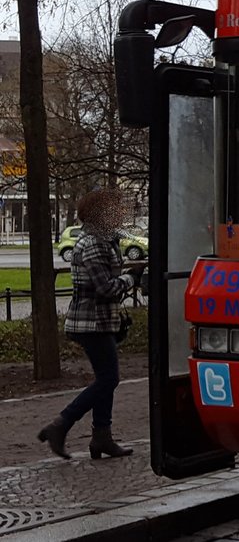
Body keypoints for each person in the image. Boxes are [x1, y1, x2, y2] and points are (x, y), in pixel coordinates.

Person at [38, 189, 142, 459]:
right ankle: (61, 424)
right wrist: (133, 278)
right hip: (90, 323)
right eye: (115, 210)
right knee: (109, 379)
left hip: (99, 322)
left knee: (105, 379)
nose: (120, 215)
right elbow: (106, 288)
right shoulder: (93, 243)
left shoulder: (103, 240)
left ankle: (101, 437)